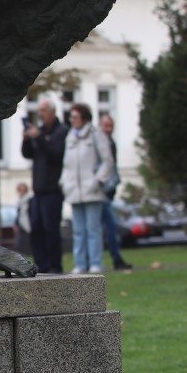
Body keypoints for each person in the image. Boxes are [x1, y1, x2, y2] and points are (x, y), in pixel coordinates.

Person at [61, 103, 114, 274]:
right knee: (78, 230)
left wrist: (98, 180)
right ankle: (80, 263)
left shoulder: (96, 134)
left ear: (84, 118)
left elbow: (107, 161)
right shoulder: (70, 136)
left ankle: (95, 263)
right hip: (74, 190)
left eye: (75, 117)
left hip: (92, 189)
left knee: (93, 229)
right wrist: (64, 182)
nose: (72, 120)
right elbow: (66, 164)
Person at [21, 100, 67, 273]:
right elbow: (28, 154)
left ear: (52, 112)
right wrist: (26, 139)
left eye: (44, 110)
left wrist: (38, 137)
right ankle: (42, 265)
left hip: (52, 190)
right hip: (38, 191)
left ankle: (55, 265)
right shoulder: (39, 132)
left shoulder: (61, 132)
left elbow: (56, 154)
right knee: (36, 229)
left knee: (51, 230)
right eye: (39, 110)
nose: (40, 114)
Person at [98, 114, 132, 271]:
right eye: (105, 126)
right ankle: (112, 259)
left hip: (107, 192)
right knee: (108, 227)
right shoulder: (99, 144)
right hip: (100, 192)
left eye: (110, 126)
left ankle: (113, 258)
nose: (108, 129)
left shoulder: (111, 143)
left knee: (109, 227)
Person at [14, 181, 33, 254]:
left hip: (27, 221)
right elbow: (18, 212)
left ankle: (27, 252)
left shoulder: (29, 199)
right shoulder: (19, 200)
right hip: (20, 222)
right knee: (19, 239)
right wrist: (16, 223)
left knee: (26, 239)